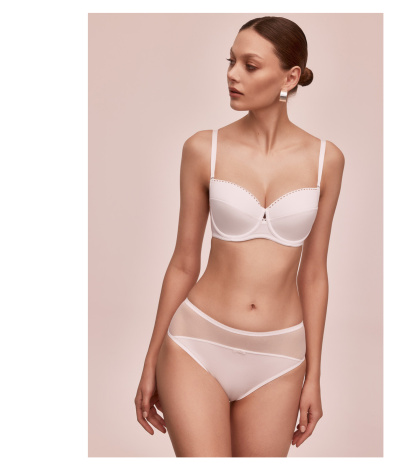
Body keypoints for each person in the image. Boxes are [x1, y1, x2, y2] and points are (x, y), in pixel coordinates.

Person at [135, 16, 345, 457]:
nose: (232, 75)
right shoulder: (203, 149)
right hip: (196, 344)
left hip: (279, 358)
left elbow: (314, 274)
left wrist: (314, 375)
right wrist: (150, 360)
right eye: (230, 62)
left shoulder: (326, 160)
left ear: (289, 77)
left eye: (250, 65)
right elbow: (183, 262)